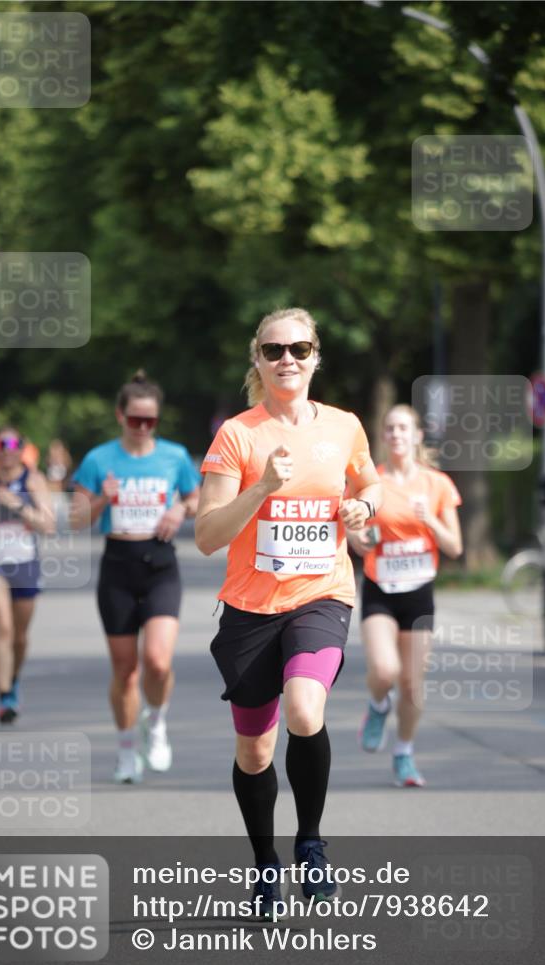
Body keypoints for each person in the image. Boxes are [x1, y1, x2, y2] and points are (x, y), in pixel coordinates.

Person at [196, 307, 382, 918]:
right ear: (258, 359)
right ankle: (265, 865)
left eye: (299, 349)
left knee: (306, 707)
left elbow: (369, 486)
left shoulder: (345, 426)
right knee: (254, 751)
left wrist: (362, 511)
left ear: (315, 357)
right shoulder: (238, 435)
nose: (287, 360)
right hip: (250, 607)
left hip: (322, 593)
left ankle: (309, 841)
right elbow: (206, 536)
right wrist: (260, 489)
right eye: (274, 350)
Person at [72, 371, 200, 784]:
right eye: (135, 420)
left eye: (151, 421)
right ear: (120, 416)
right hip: (118, 565)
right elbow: (75, 519)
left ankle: (157, 723)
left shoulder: (175, 456)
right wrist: (101, 499)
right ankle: (126, 748)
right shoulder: (98, 459)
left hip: (160, 563)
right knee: (126, 670)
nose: (143, 428)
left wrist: (180, 509)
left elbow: (196, 497)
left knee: (158, 662)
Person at [347, 405, 462, 788]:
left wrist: (429, 519)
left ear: (416, 437)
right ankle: (379, 705)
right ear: (383, 437)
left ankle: (404, 754)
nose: (396, 434)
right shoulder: (372, 484)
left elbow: (455, 547)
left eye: (403, 428)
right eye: (390, 428)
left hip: (419, 590)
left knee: (413, 683)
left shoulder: (437, 485)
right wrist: (358, 540)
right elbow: (352, 532)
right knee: (384, 669)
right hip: (380, 587)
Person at [0, 428, 55, 723]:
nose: (8, 449)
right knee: (4, 628)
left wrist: (16, 505)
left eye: (15, 445)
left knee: (20, 636)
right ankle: (3, 697)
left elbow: (47, 526)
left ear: (22, 450)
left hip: (24, 563)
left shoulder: (33, 481)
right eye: (2, 444)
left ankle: (12, 679)